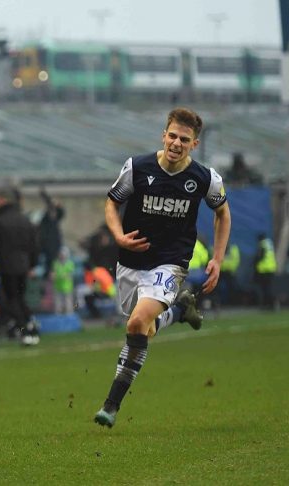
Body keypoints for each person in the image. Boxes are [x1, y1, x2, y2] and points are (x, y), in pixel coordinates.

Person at [93, 108, 231, 428]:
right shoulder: (136, 167)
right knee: (144, 327)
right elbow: (112, 202)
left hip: (170, 262)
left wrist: (218, 259)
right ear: (163, 136)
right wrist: (118, 236)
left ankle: (111, 405)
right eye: (172, 136)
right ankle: (181, 311)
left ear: (194, 144)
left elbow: (222, 213)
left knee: (137, 322)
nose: (176, 143)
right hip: (130, 263)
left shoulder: (205, 179)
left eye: (184, 139)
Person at [0, 188, 40, 343]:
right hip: (23, 266)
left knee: (11, 299)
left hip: (6, 266)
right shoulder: (25, 219)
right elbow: (34, 245)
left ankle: (24, 329)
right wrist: (32, 264)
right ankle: (30, 325)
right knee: (21, 297)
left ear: (4, 201)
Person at [253, 233, 276, 310]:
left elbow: (260, 256)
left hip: (264, 270)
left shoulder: (262, 244)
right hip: (271, 268)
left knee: (264, 288)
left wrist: (255, 263)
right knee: (269, 287)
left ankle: (267, 305)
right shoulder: (269, 243)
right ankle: (272, 304)